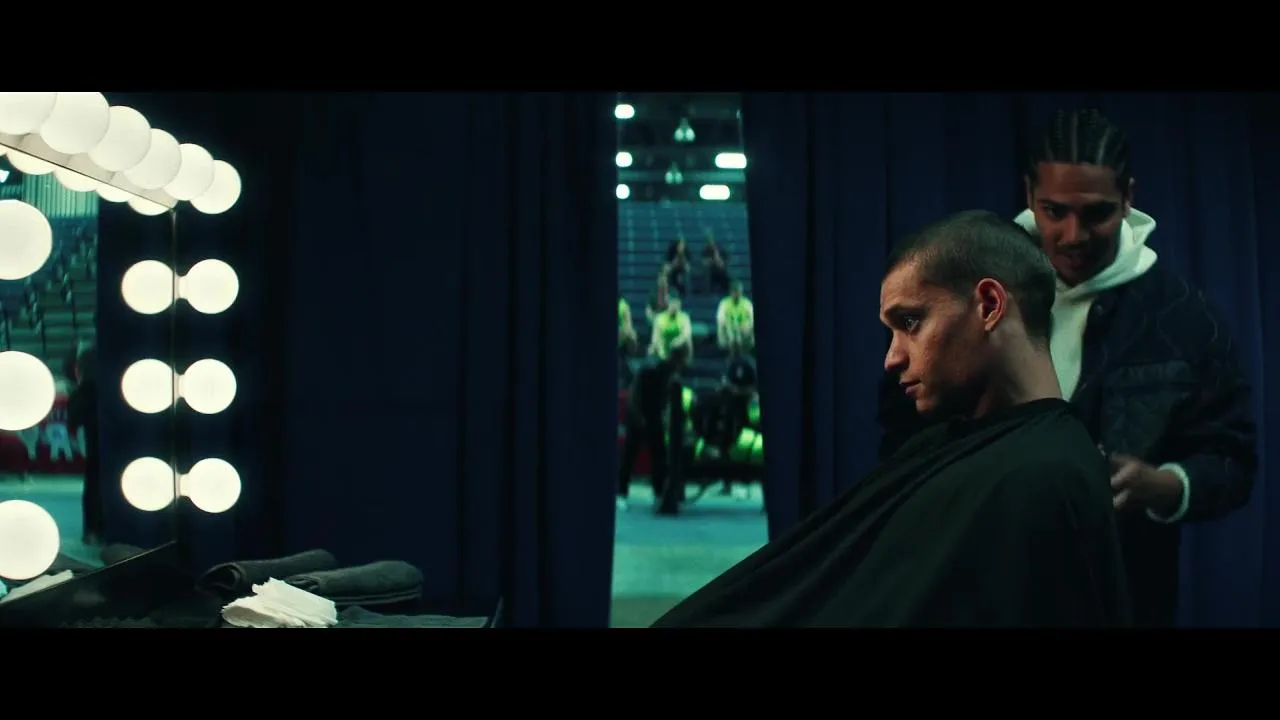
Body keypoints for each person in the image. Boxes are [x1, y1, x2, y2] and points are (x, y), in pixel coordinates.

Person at [653, 210, 1131, 627]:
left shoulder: (1043, 478)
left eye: (911, 323)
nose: (892, 358)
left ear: (988, 305)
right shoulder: (957, 449)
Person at [878, 109, 1258, 628]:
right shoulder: (963, 287)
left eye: (1096, 213)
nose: (1073, 235)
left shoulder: (1186, 320)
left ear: (1128, 197)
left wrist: (1166, 485)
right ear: (1028, 194)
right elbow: (901, 429)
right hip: (972, 585)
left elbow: (1234, 461)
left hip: (1119, 594)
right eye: (1054, 211)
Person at [618, 342, 691, 515]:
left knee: (658, 455)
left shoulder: (669, 373)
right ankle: (621, 493)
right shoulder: (652, 369)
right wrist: (638, 417)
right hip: (639, 414)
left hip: (653, 416)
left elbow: (664, 398)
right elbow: (635, 394)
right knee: (630, 455)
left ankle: (658, 492)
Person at [66, 340, 101, 546]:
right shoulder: (89, 391)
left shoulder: (82, 392)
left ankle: (92, 530)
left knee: (94, 482)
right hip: (100, 441)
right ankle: (94, 530)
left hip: (95, 441)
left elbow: (74, 419)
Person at [648, 292, 693, 361]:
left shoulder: (684, 317)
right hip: (663, 352)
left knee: (687, 342)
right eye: (673, 303)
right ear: (668, 303)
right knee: (651, 350)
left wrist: (676, 342)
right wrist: (654, 347)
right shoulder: (659, 318)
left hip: (679, 351)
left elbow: (686, 334)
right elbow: (655, 338)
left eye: (677, 303)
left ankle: (687, 362)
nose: (675, 305)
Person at [716, 280, 755, 353]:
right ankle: (733, 354)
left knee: (748, 328)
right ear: (731, 292)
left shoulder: (747, 303)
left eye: (739, 292)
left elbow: (752, 319)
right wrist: (730, 325)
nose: (737, 294)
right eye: (735, 292)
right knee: (729, 331)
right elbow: (720, 319)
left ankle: (742, 353)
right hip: (729, 332)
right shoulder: (724, 303)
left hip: (744, 331)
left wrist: (747, 325)